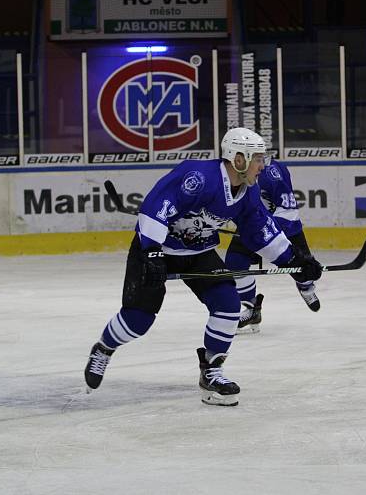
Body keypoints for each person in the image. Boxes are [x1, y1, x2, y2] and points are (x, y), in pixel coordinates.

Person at [83, 128, 323, 406]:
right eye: (257, 158)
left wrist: (294, 261)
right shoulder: (199, 178)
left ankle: (211, 371)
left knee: (228, 305)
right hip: (156, 249)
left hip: (199, 251)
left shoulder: (249, 192)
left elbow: (260, 231)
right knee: (139, 319)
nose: (263, 165)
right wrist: (151, 251)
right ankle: (104, 348)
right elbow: (156, 207)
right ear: (239, 159)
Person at [224, 158, 320, 334]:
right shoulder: (237, 172)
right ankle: (252, 309)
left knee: (303, 269)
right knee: (234, 262)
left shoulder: (271, 174)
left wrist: (267, 233)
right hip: (253, 224)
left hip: (285, 225)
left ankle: (305, 286)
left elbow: (288, 209)